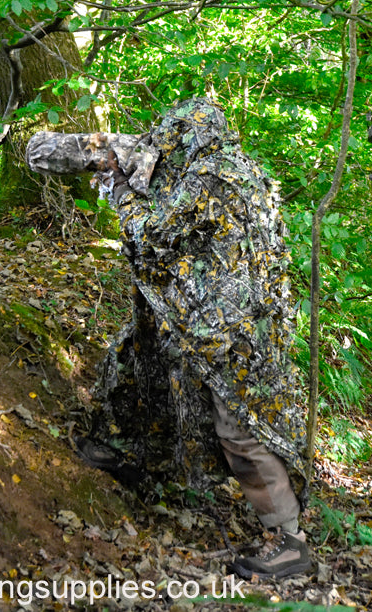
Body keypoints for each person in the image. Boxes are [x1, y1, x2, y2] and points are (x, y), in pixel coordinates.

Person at [27, 99, 310, 580]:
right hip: (206, 316)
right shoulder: (240, 170)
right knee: (137, 358)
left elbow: (155, 230)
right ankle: (126, 454)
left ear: (190, 139)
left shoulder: (211, 178)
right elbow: (54, 152)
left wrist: (120, 190)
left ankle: (291, 543)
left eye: (171, 138)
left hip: (229, 333)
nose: (163, 148)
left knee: (238, 429)